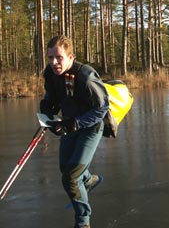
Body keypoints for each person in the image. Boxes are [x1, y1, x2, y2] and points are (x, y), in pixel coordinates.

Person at [39, 35, 109, 228]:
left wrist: (76, 123)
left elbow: (102, 108)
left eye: (59, 57)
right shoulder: (50, 74)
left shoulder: (85, 77)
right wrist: (46, 108)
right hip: (69, 126)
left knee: (71, 177)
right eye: (50, 57)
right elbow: (52, 98)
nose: (54, 62)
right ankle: (89, 180)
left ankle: (83, 222)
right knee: (66, 169)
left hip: (90, 128)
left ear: (71, 57)